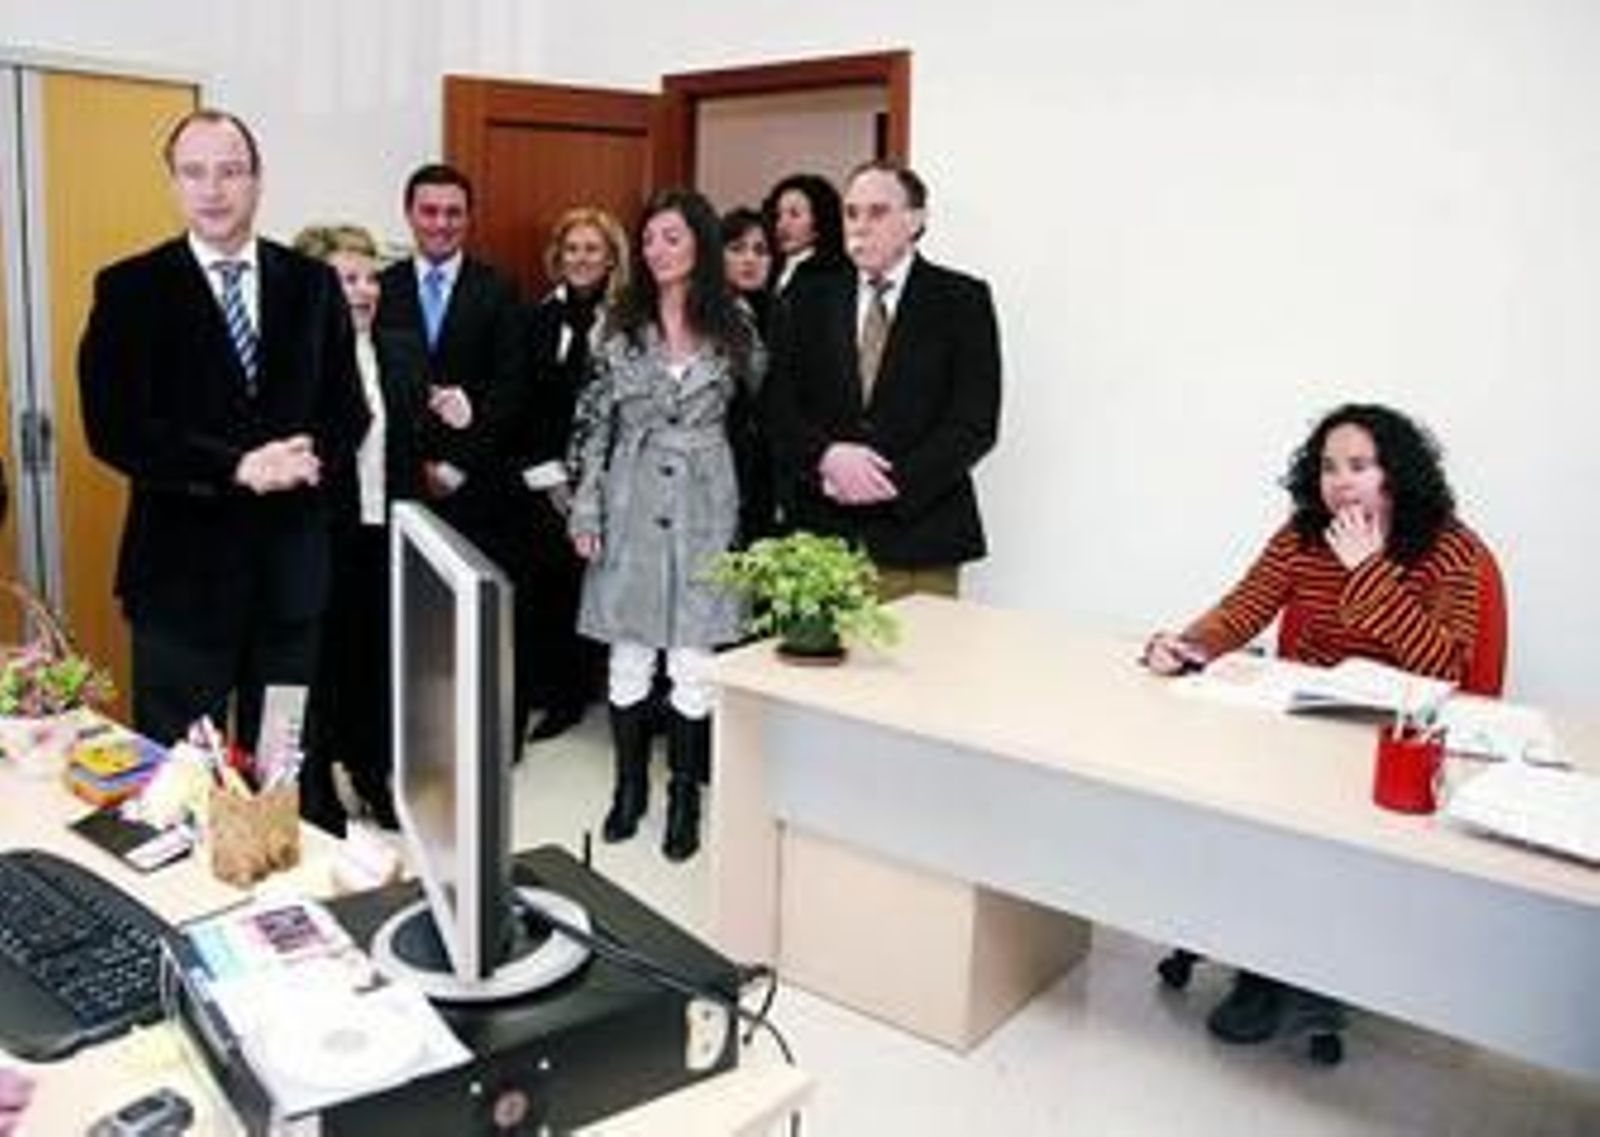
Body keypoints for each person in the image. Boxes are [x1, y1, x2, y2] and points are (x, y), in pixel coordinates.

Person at [1143, 402, 1488, 1045]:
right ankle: (1260, 967)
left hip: (1398, 739)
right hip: (1311, 719)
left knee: (1332, 830)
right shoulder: (1304, 533)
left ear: (1396, 473)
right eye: (1329, 467)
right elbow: (1244, 608)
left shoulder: (1449, 548)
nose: (1341, 481)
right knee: (1256, 806)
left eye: (1360, 465)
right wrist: (1189, 645)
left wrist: (1368, 571)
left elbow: (1445, 668)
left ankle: (1316, 974)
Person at [78, 108, 368, 748]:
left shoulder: (313, 283)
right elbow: (114, 426)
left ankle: (277, 849)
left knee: (281, 756)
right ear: (174, 185)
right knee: (183, 770)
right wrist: (235, 467)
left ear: (259, 181)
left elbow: (349, 408)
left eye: (231, 171)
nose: (213, 189)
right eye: (194, 172)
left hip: (291, 577)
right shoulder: (129, 288)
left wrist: (308, 457)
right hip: (181, 582)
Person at [567, 188, 762, 862]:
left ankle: (683, 795)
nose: (656, 251)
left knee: (693, 659)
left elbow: (760, 418)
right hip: (629, 491)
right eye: (649, 239)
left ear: (700, 245)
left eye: (671, 238)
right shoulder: (618, 324)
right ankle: (628, 790)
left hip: (710, 501)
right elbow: (592, 424)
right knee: (628, 654)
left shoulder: (736, 321)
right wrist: (585, 508)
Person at [764, 158, 1002, 600]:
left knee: (920, 666)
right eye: (851, 213)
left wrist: (887, 484)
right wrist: (827, 457)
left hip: (920, 533)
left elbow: (974, 422)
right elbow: (778, 405)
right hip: (819, 536)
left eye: (877, 212)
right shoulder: (806, 297)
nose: (860, 226)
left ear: (915, 220)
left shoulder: (961, 300)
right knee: (811, 669)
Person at [375, 163, 530, 729]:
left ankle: (487, 733)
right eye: (429, 211)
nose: (441, 223)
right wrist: (417, 467)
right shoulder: (380, 286)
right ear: (409, 213)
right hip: (397, 486)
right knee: (404, 620)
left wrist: (459, 464)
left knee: (476, 619)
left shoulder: (499, 288)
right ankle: (409, 734)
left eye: (453, 212)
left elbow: (512, 390)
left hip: (477, 487)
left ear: (469, 218)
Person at [293, 224, 427, 832]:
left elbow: (411, 445)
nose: (365, 289)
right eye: (349, 278)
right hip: (320, 536)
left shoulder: (401, 350)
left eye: (371, 277)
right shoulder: (298, 361)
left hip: (385, 533)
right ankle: (313, 783)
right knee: (318, 668)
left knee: (378, 662)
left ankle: (374, 774)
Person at [516, 207, 629, 742]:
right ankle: (560, 697)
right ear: (558, 258)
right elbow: (525, 404)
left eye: (593, 249)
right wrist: (554, 482)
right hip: (547, 484)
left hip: (614, 480)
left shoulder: (631, 321)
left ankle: (609, 690)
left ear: (611, 258)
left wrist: (598, 482)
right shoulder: (535, 319)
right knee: (554, 590)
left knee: (605, 586)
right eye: (572, 249)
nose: (581, 259)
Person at [721, 206, 779, 545]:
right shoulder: (700, 316)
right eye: (737, 248)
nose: (750, 260)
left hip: (770, 474)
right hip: (716, 468)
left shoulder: (787, 313)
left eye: (761, 250)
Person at [761, 172, 846, 295]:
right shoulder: (772, 267)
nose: (782, 225)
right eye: (778, 215)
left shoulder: (832, 275)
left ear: (820, 219)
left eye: (794, 214)